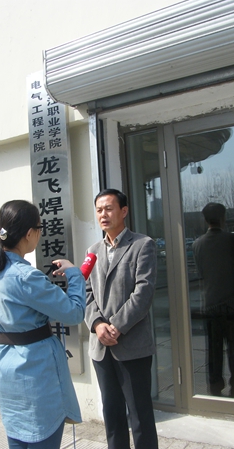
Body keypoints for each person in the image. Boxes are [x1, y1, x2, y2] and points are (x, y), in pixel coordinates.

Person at [0, 200, 86, 449]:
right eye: (39, 228)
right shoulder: (26, 276)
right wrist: (74, 274)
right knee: (43, 435)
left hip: (6, 370)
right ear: (29, 233)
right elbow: (73, 313)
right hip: (37, 374)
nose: (40, 233)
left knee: (16, 438)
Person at [85, 188, 159, 449]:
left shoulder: (142, 244)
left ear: (124, 211)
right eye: (99, 210)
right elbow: (86, 293)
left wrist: (115, 326)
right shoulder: (93, 251)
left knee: (140, 416)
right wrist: (97, 324)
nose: (103, 214)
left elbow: (144, 293)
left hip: (132, 346)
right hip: (101, 348)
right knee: (112, 414)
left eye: (108, 208)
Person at [192, 202, 234, 398]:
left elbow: (201, 273)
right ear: (223, 218)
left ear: (205, 220)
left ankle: (214, 387)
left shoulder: (197, 244)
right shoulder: (233, 240)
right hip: (233, 302)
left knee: (214, 349)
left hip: (210, 304)